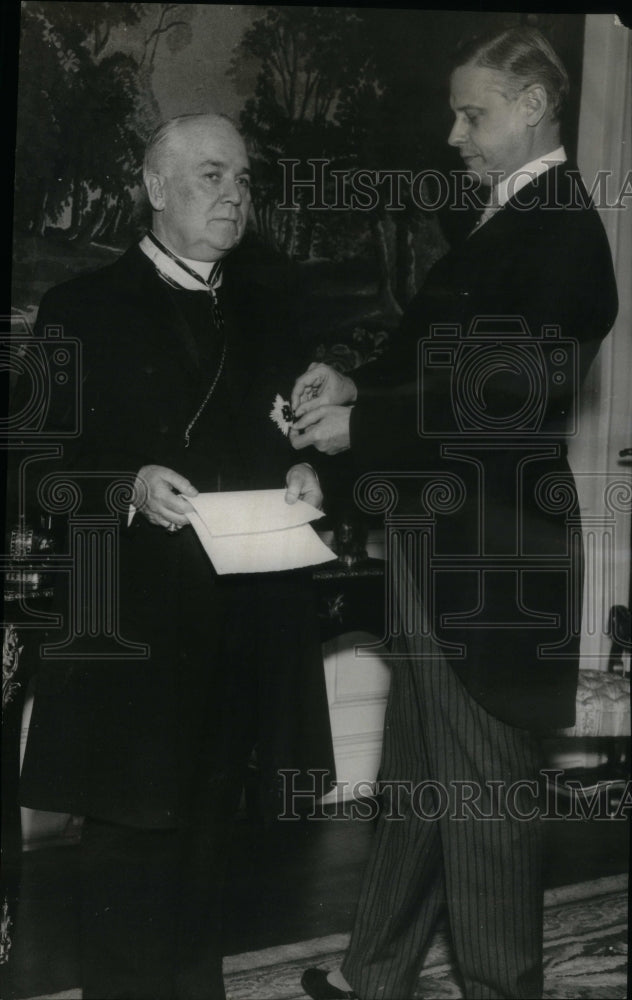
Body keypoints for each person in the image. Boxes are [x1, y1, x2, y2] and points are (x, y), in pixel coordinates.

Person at [290, 28, 618, 1000]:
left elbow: (495, 389)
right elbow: (427, 363)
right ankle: (375, 974)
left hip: (489, 556)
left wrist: (362, 427)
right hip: (447, 542)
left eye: (470, 113)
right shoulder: (508, 220)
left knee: (480, 794)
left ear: (531, 106)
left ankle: (501, 986)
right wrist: (349, 391)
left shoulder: (563, 230)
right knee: (424, 771)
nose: (452, 133)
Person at [18, 113, 335, 1000]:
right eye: (208, 175)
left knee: (207, 875)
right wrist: (127, 486)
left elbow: (289, 445)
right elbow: (32, 473)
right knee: (126, 876)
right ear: (155, 189)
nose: (232, 192)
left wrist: (309, 468)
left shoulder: (268, 309)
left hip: (240, 639)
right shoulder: (78, 308)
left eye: (241, 177)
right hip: (131, 643)